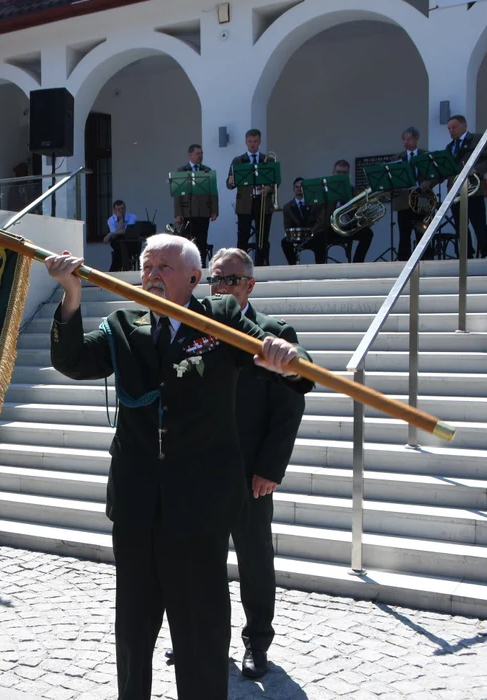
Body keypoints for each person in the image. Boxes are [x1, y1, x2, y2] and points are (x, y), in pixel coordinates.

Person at [46, 234, 310, 700]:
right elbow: (71, 360)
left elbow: (284, 357)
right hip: (136, 502)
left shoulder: (221, 318)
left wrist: (286, 361)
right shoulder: (124, 323)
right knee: (133, 627)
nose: (151, 275)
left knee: (201, 631)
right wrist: (70, 295)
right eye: (146, 267)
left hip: (200, 505)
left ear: (193, 277)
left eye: (164, 267)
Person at [207, 248, 308, 680]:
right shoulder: (199, 326)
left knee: (254, 560)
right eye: (215, 279)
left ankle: (257, 642)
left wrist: (270, 467)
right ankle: (206, 639)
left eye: (230, 280)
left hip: (250, 472)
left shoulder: (272, 333)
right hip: (202, 467)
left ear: (250, 284)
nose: (221, 288)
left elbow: (288, 410)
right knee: (201, 559)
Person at [227, 129, 274, 267]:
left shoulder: (267, 159)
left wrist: (268, 188)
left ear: (259, 141)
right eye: (250, 142)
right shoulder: (238, 161)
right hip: (245, 203)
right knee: (243, 237)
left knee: (263, 237)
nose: (252, 145)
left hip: (263, 201)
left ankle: (261, 265)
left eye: (255, 141)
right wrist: (231, 182)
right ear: (246, 142)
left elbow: (275, 181)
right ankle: (241, 266)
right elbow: (229, 184)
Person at [446, 115, 487, 258]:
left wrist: (476, 169)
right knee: (461, 227)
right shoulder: (450, 147)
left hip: (473, 191)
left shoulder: (477, 139)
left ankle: (486, 253)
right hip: (455, 192)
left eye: (454, 127)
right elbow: (447, 169)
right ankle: (467, 255)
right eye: (449, 129)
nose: (451, 131)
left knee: (479, 225)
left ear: (464, 126)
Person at [173, 143, 218, 264]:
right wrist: (178, 213)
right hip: (187, 212)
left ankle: (201, 265)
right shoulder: (182, 170)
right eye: (198, 154)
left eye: (201, 153)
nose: (200, 156)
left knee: (202, 240)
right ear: (190, 154)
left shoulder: (206, 170)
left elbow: (213, 192)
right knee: (187, 241)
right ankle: (187, 266)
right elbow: (178, 194)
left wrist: (214, 210)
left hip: (203, 211)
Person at [394, 126, 434, 261]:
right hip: (404, 200)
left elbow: (436, 174)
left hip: (421, 197)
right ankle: (403, 261)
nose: (406, 142)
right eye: (404, 139)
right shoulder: (398, 157)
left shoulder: (425, 155)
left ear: (417, 139)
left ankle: (426, 258)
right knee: (404, 233)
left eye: (409, 138)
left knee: (422, 231)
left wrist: (429, 182)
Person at [332, 159, 373, 263]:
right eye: (338, 172)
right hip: (330, 227)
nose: (341, 175)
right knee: (318, 236)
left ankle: (357, 263)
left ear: (348, 174)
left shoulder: (353, 191)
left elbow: (357, 212)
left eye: (344, 172)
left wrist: (365, 220)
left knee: (368, 233)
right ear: (333, 173)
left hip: (348, 226)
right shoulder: (325, 190)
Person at [281, 177, 329, 265]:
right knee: (285, 242)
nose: (299, 189)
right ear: (293, 189)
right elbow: (287, 226)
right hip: (297, 235)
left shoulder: (315, 203)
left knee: (321, 239)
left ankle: (320, 266)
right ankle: (293, 266)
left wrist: (312, 232)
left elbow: (320, 221)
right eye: (296, 187)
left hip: (313, 234)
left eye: (301, 187)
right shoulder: (287, 207)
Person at [105, 199, 140, 271]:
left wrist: (110, 234)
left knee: (119, 244)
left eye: (123, 208)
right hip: (118, 243)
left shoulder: (132, 217)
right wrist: (120, 219)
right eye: (118, 209)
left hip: (131, 242)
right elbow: (116, 235)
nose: (121, 211)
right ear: (114, 211)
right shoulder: (111, 220)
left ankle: (114, 269)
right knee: (118, 240)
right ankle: (126, 265)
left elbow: (127, 232)